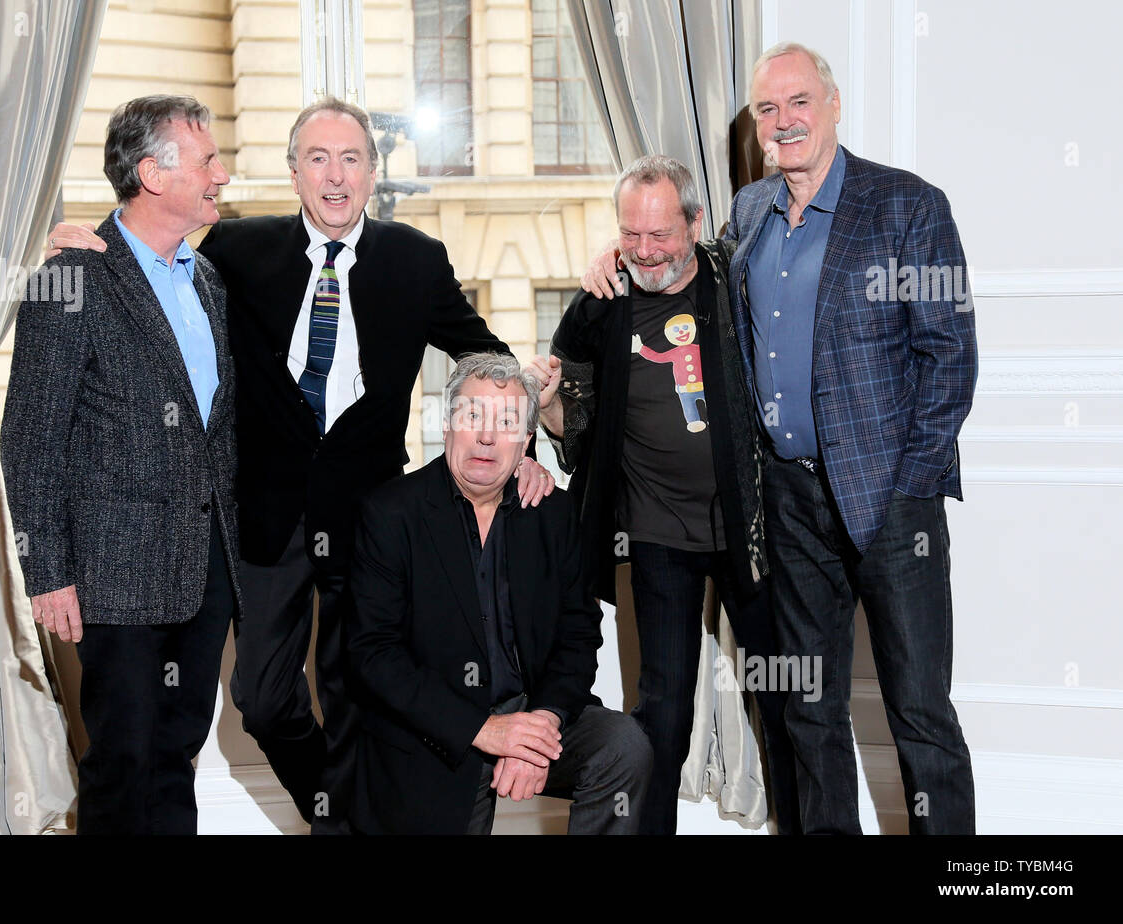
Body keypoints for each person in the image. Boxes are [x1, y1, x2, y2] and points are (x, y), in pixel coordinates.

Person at [45, 97, 554, 832]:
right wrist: (80, 240)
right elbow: (145, 250)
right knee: (263, 698)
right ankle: (337, 809)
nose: (336, 175)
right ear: (293, 173)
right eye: (318, 159)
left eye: (352, 159)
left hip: (372, 518)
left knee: (360, 694)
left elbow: (486, 357)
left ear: (374, 172)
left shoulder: (416, 259)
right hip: (264, 516)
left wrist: (525, 446)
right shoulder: (237, 250)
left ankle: (346, 827)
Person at [585, 43, 978, 834]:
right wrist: (623, 258)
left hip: (891, 503)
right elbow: (684, 267)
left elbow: (951, 353)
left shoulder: (907, 206)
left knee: (919, 710)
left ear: (832, 106)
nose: (783, 121)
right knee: (807, 708)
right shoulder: (753, 212)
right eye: (767, 109)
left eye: (798, 102)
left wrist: (913, 483)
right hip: (788, 502)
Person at [528, 155, 799, 835]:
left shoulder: (737, 279)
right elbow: (575, 426)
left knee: (786, 700)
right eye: (631, 235)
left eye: (661, 235)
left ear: (695, 223)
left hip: (752, 528)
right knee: (663, 709)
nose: (646, 252)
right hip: (655, 535)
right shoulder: (600, 304)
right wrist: (552, 404)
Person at [1, 95, 241, 834]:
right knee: (123, 760)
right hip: (112, 576)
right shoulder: (69, 275)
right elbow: (29, 436)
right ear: (153, 175)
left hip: (205, 571)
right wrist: (47, 573)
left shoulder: (206, 280)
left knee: (177, 755)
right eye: (206, 161)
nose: (221, 175)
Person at [346, 353, 652, 834]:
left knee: (623, 744)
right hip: (436, 729)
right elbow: (373, 657)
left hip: (531, 712)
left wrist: (542, 724)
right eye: (473, 416)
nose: (488, 436)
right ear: (448, 425)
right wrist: (487, 731)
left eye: (507, 421)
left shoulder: (552, 513)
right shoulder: (390, 514)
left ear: (526, 441)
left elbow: (578, 637)